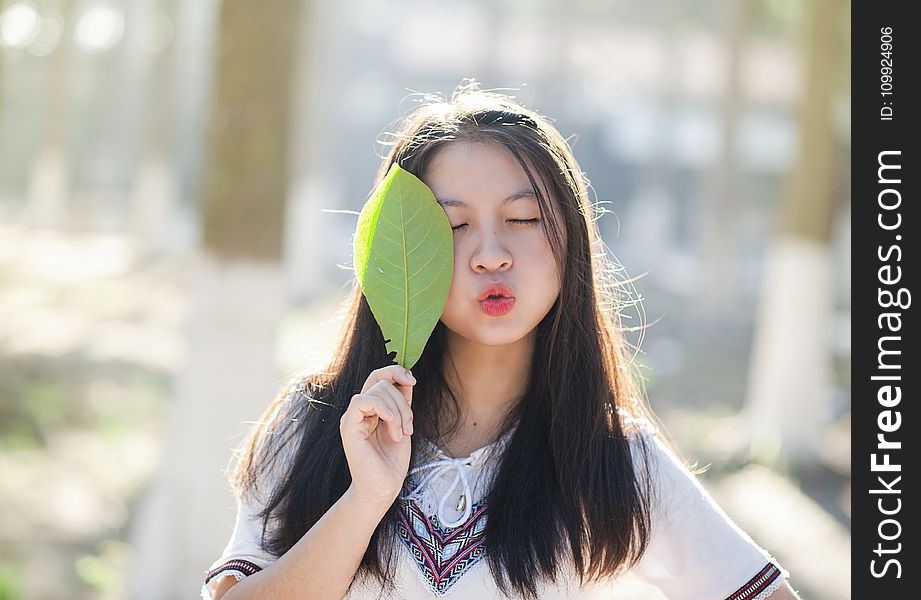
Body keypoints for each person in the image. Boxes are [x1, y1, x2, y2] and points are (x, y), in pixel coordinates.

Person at [202, 81, 800, 600]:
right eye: (454, 226)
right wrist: (365, 499)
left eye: (522, 219)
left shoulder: (612, 461)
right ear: (400, 250)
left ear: (570, 237)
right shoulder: (319, 424)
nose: (490, 255)